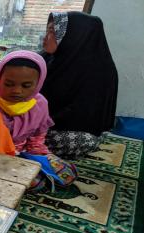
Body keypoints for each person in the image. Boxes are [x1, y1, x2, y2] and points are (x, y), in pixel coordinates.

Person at [0, 50, 77, 191]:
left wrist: (38, 155)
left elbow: (37, 136)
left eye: (26, 86)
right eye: (9, 84)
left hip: (24, 151)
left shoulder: (40, 103)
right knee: (35, 182)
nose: (17, 91)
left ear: (38, 83)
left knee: (67, 174)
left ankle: (33, 171)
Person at [40, 11, 118, 158]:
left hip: (77, 130)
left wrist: (37, 123)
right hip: (41, 121)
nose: (45, 38)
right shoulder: (47, 58)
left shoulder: (99, 70)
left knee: (29, 136)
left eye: (52, 32)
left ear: (73, 35)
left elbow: (82, 113)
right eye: (47, 30)